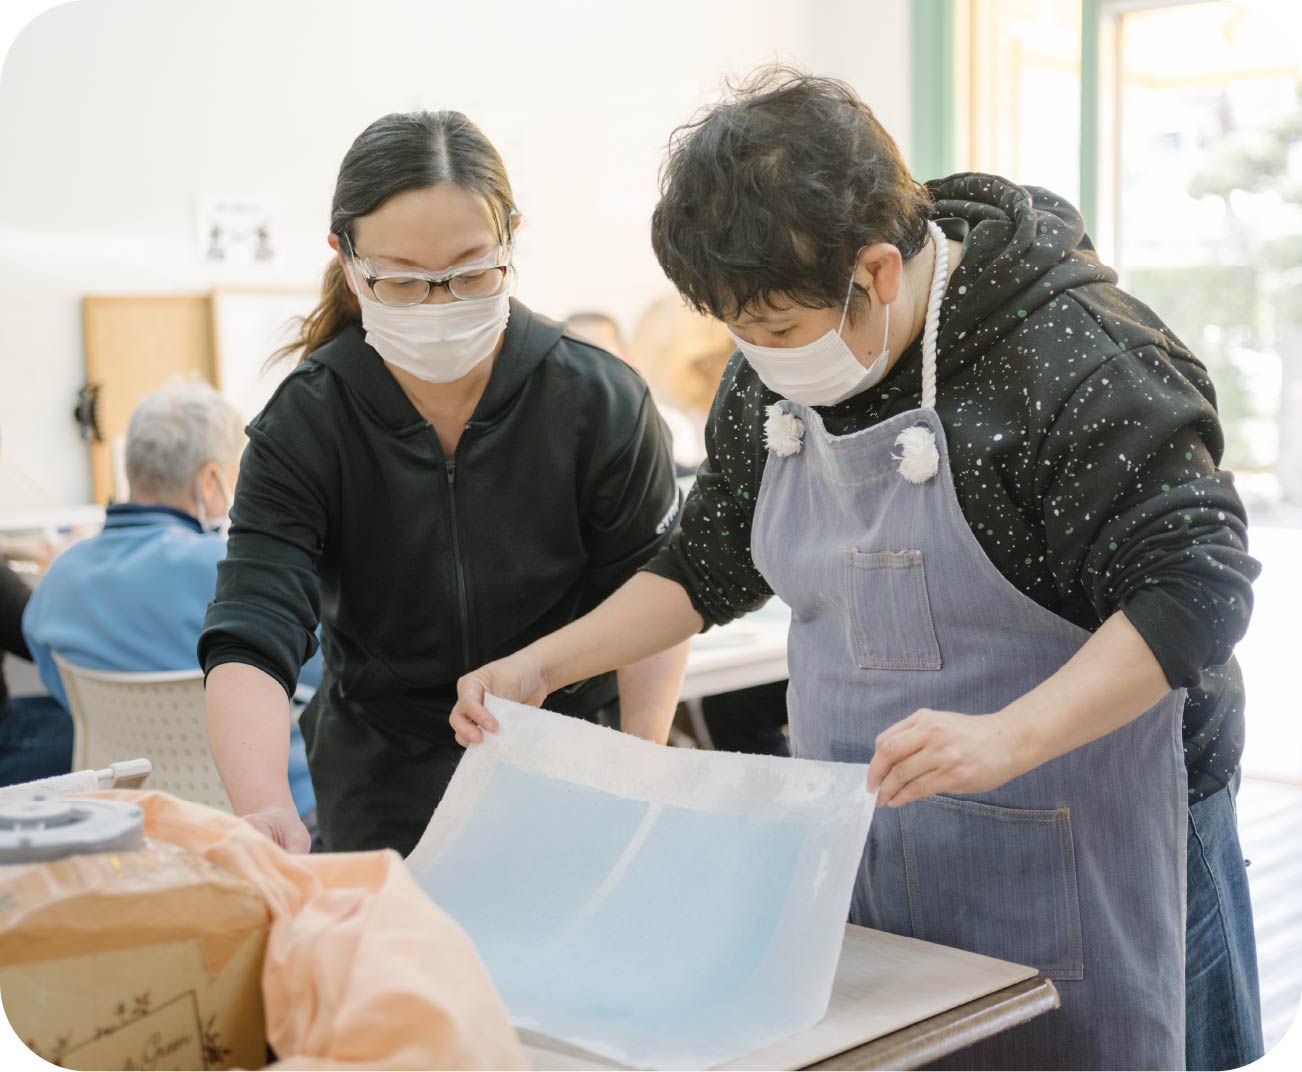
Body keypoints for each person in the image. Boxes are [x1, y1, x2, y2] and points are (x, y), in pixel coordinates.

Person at [451, 69, 1263, 1070]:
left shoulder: (1074, 356)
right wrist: (549, 661)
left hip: (1094, 841)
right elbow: (710, 561)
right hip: (879, 834)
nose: (756, 356)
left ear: (879, 271)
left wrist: (1011, 737)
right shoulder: (779, 364)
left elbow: (1199, 586)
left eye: (779, 330)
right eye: (738, 330)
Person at [199, 110, 687, 857]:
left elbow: (649, 596)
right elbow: (254, 627)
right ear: (346, 259)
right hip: (383, 784)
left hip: (570, 765)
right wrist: (264, 807)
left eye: (468, 273)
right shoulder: (308, 422)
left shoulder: (597, 399)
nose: (439, 305)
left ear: (511, 236)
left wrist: (641, 763)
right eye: (399, 283)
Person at [22, 382, 317, 819]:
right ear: (210, 480)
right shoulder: (242, 574)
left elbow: (62, 689)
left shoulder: (61, 577)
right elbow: (325, 676)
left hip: (130, 818)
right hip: (271, 816)